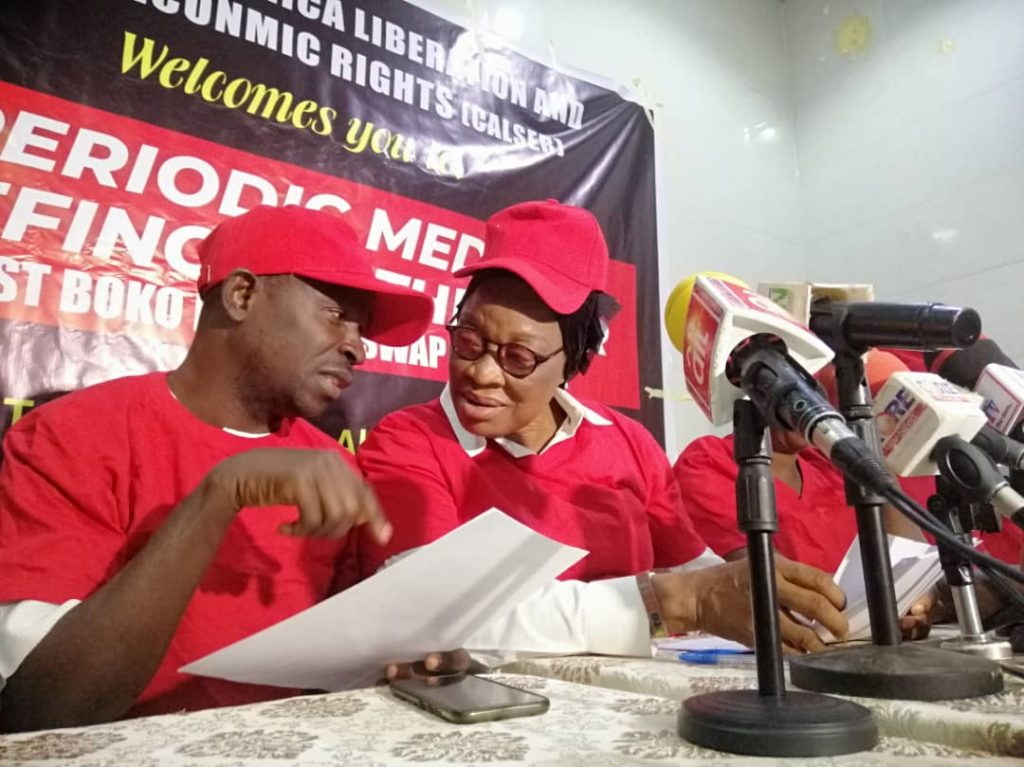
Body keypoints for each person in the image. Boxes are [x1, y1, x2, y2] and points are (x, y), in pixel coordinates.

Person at [0, 205, 440, 732]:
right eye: (335, 314)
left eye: (361, 329)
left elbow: (336, 670)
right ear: (242, 296)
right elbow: (41, 706)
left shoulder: (333, 468)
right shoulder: (70, 436)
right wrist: (220, 495)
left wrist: (408, 663)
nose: (357, 347)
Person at [357, 199, 849, 665]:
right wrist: (673, 603)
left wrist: (794, 603)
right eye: (468, 341)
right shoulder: (408, 443)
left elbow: (699, 574)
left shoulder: (629, 442)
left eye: (519, 358)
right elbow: (424, 612)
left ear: (575, 360)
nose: (482, 373)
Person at [675, 350, 937, 636]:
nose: (812, 405)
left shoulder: (830, 463)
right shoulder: (710, 460)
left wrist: (915, 598)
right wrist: (877, 599)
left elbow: (911, 557)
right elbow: (766, 580)